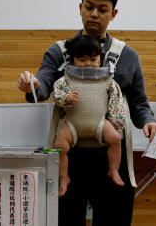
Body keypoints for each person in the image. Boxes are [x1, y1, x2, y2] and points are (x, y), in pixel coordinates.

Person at [17, 0, 156, 225]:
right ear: (80, 8)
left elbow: (139, 103)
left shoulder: (128, 56)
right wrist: (31, 85)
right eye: (88, 6)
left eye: (102, 9)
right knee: (64, 218)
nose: (94, 14)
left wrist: (149, 122)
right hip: (70, 156)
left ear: (113, 13)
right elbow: (42, 86)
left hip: (111, 156)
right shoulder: (59, 51)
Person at [53, 35, 126, 198]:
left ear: (101, 59)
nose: (87, 63)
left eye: (93, 59)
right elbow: (57, 93)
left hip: (100, 122)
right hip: (72, 123)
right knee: (59, 147)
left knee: (115, 139)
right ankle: (63, 178)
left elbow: (116, 100)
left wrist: (116, 121)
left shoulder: (108, 79)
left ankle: (113, 170)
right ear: (72, 60)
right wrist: (66, 98)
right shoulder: (66, 79)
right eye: (81, 59)